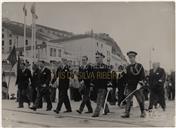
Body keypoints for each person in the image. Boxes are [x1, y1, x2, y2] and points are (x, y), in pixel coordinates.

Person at [121, 51, 146, 118]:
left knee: (140, 99)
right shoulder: (127, 67)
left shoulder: (139, 66)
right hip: (130, 86)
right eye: (129, 58)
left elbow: (142, 75)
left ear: (134, 57)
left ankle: (143, 112)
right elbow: (125, 77)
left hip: (137, 86)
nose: (130, 59)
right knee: (128, 100)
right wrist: (123, 74)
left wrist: (140, 83)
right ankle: (127, 113)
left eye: (132, 57)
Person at [91, 51, 111, 117]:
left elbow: (109, 77)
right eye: (96, 57)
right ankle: (106, 109)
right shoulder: (94, 67)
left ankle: (96, 113)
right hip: (96, 86)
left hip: (103, 86)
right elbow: (93, 76)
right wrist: (91, 84)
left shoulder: (106, 67)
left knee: (99, 99)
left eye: (98, 57)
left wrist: (109, 85)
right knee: (96, 99)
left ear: (102, 58)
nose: (96, 59)